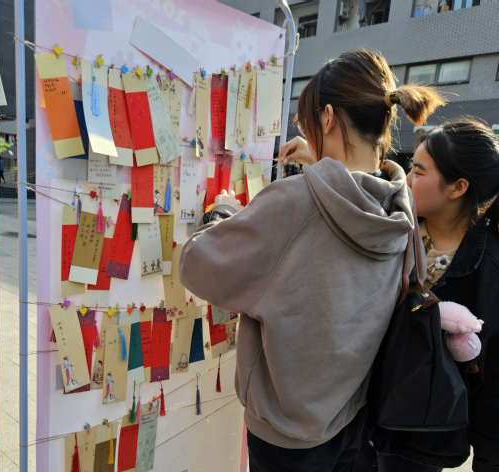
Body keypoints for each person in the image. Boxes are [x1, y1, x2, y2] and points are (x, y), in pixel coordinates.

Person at [179, 50, 444, 471]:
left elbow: (196, 265)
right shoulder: (399, 207)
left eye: (308, 124)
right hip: (354, 416)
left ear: (328, 118)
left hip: (285, 435)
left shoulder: (293, 202)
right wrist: (321, 160)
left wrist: (222, 213)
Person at [354, 117, 499, 471]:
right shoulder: (389, 228)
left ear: (457, 187)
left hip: (418, 433)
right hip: (355, 412)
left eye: (418, 172)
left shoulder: (488, 265)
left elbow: (491, 378)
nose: (406, 180)